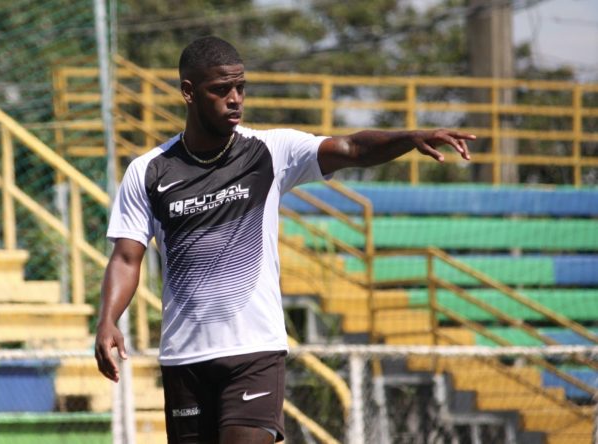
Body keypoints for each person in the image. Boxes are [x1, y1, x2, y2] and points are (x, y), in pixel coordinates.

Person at [94, 35, 474, 444]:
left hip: (255, 352)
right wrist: (108, 319)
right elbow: (127, 258)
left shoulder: (269, 151)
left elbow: (351, 148)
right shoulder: (148, 171)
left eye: (241, 87)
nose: (235, 99)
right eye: (221, 89)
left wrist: (408, 138)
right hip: (185, 358)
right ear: (189, 92)